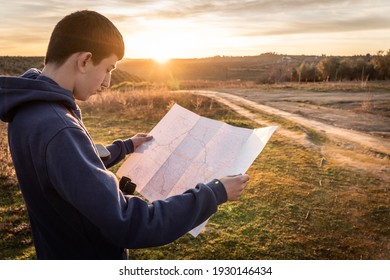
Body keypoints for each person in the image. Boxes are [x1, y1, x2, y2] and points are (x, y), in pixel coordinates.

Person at [0, 10, 249, 260]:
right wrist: (215, 193)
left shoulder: (29, 109)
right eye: (108, 68)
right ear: (85, 60)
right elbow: (129, 223)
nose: (108, 82)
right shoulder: (60, 128)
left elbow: (66, 167)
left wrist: (126, 146)